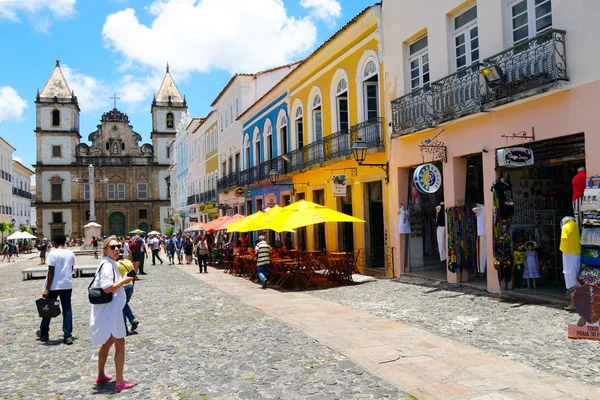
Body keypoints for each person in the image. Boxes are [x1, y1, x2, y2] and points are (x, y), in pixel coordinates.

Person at [90, 237, 136, 391]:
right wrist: (124, 281)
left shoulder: (108, 263)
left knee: (108, 341)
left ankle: (101, 375)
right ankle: (120, 381)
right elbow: (107, 288)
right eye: (113, 247)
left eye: (119, 246)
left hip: (109, 309)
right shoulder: (108, 266)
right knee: (120, 343)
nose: (117, 249)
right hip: (111, 310)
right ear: (105, 250)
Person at [36, 233, 76, 344]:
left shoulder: (53, 254)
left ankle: (44, 332)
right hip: (66, 285)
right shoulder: (71, 253)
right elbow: (71, 268)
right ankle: (68, 335)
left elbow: (51, 272)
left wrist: (47, 289)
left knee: (47, 308)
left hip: (54, 285)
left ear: (55, 242)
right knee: (67, 309)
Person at [116, 249, 139, 336]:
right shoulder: (129, 262)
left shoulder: (116, 264)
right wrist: (133, 286)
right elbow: (133, 275)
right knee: (124, 304)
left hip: (122, 286)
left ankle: (125, 328)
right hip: (130, 286)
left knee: (122, 306)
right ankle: (132, 320)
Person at [560, 216, 581, 311]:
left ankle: (574, 304)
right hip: (577, 253)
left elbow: (564, 238)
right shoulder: (575, 225)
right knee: (576, 278)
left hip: (568, 254)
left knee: (570, 279)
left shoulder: (565, 227)